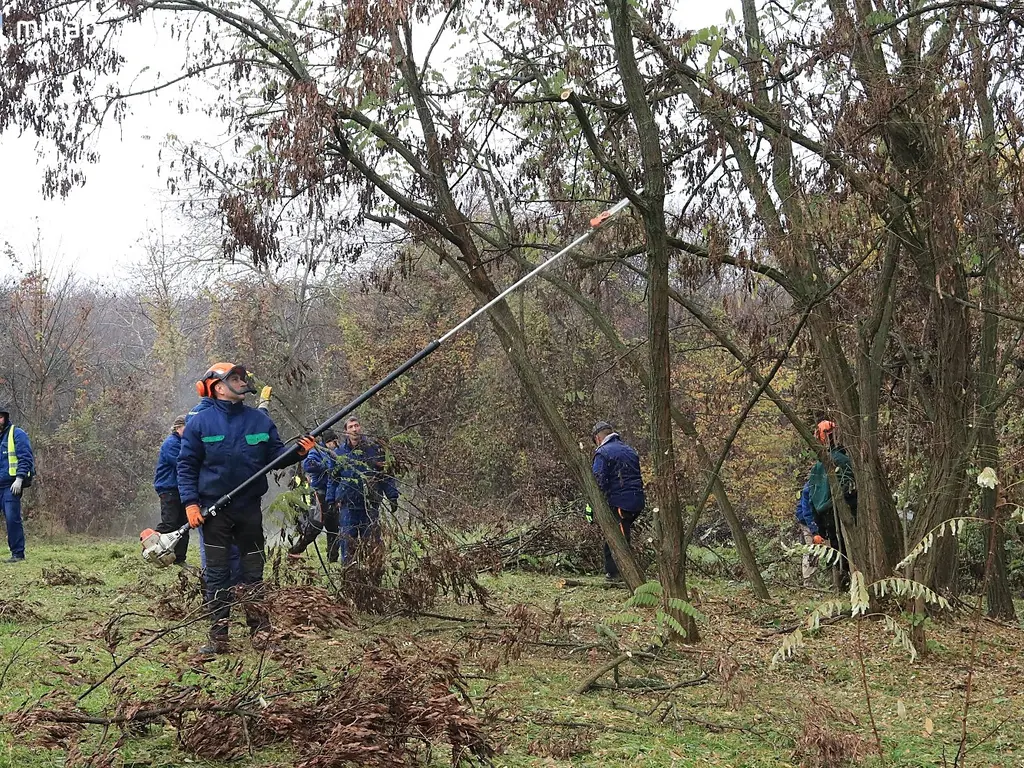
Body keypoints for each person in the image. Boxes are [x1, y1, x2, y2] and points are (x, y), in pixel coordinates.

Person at [178, 362, 315, 654]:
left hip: (249, 509)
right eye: (235, 378)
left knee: (253, 571)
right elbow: (186, 466)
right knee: (217, 574)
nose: (242, 382)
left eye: (242, 378)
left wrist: (297, 453)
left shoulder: (259, 421)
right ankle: (218, 637)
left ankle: (260, 634)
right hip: (214, 511)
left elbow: (275, 457)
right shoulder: (199, 423)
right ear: (217, 387)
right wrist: (190, 504)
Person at [331, 416, 398, 564]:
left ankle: (374, 575)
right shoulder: (339, 453)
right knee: (348, 545)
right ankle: (350, 578)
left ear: (360, 427)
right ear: (345, 431)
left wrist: (392, 496)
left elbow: (385, 474)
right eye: (351, 427)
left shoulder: (373, 449)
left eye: (356, 425)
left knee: (373, 544)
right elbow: (332, 478)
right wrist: (330, 500)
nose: (355, 429)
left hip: (370, 504)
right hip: (348, 506)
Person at [590, 420, 645, 581]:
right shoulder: (629, 450)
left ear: (598, 438)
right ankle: (618, 572)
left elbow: (598, 480)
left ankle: (617, 574)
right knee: (618, 534)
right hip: (636, 501)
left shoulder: (603, 453)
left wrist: (593, 504)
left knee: (617, 538)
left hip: (620, 502)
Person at [806, 419, 857, 584]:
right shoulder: (841, 460)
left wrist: (817, 525)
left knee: (835, 547)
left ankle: (840, 579)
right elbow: (849, 486)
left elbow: (812, 497)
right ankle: (846, 579)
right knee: (844, 545)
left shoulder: (818, 467)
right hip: (841, 510)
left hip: (826, 514)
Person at [288, 430, 342, 562]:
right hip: (319, 493)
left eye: (334, 441)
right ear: (326, 442)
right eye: (330, 441)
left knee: (334, 527)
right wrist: (326, 466)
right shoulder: (318, 451)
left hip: (334, 494)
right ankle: (295, 550)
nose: (333, 444)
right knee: (316, 525)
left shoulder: (338, 453)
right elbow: (308, 464)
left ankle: (332, 558)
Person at [153, 414, 190, 565]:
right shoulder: (171, 444)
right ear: (178, 428)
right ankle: (152, 547)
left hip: (181, 490)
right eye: (186, 428)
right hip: (168, 489)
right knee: (169, 523)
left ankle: (179, 559)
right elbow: (182, 463)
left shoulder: (184, 443)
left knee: (184, 525)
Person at [0, 405, 34, 563]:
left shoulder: (17, 434)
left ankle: (18, 554)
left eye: (0, 417)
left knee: (12, 518)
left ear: (5, 418)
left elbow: (25, 458)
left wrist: (19, 479)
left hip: (11, 485)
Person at [794, 480, 818, 588]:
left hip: (819, 519)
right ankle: (808, 582)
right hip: (806, 520)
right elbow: (806, 511)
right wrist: (813, 529)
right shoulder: (810, 486)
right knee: (811, 549)